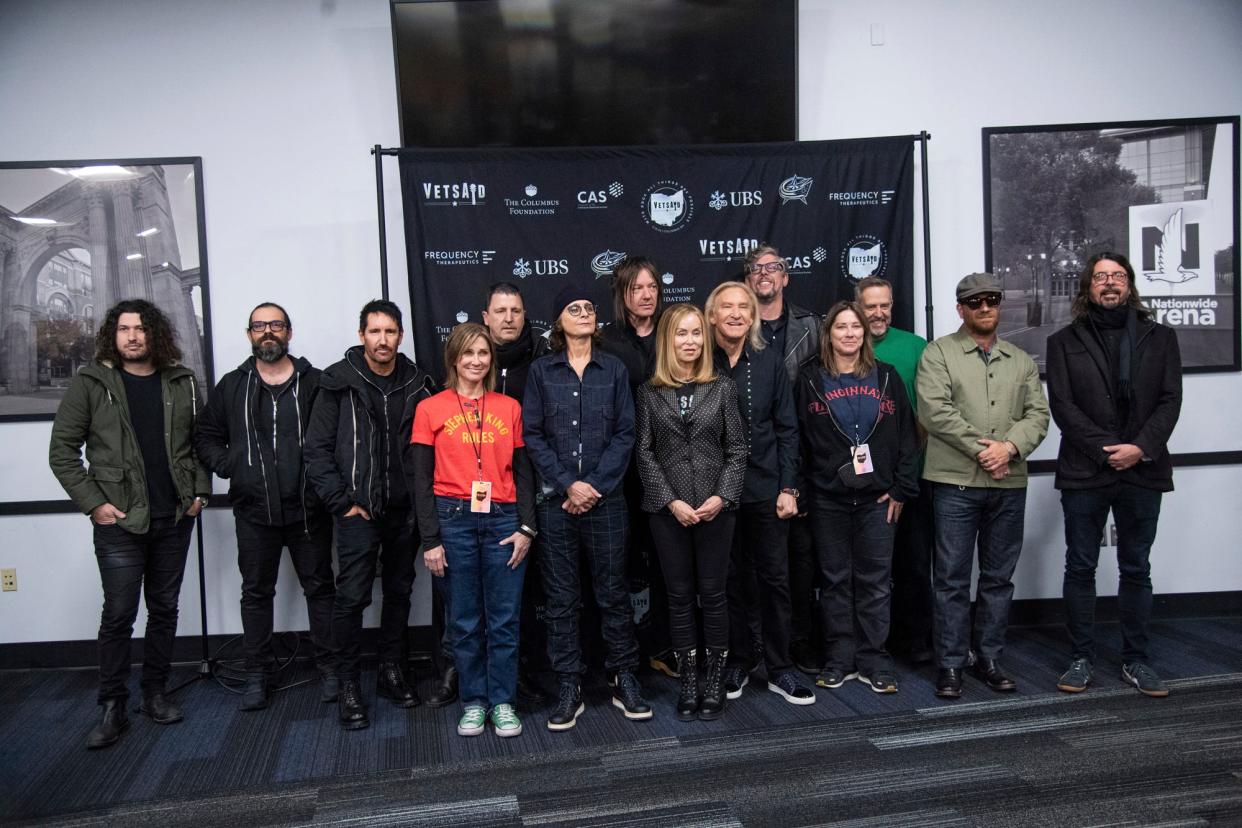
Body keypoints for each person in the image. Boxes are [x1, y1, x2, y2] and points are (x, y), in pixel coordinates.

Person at [49, 299, 211, 749]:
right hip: (119, 520)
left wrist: (200, 492)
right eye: (124, 329)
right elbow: (62, 450)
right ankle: (112, 706)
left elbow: (200, 442)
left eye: (140, 328)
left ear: (154, 333)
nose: (133, 336)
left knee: (164, 610)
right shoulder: (91, 383)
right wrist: (94, 504)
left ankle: (155, 694)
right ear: (113, 335)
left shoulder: (181, 381)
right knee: (119, 615)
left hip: (175, 516)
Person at [1046, 252, 1182, 697]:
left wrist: (1140, 447)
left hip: (1144, 468)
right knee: (1080, 566)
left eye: (1117, 276)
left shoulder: (1161, 338)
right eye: (1101, 276)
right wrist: (1107, 452)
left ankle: (1135, 660)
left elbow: (1170, 400)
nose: (1109, 283)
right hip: (1086, 469)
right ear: (1088, 286)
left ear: (1129, 285)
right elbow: (1063, 406)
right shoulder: (1064, 341)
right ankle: (1081, 658)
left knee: (1136, 567)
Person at [195, 302, 337, 711]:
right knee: (256, 593)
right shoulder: (232, 385)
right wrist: (234, 468)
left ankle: (329, 667)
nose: (268, 332)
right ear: (249, 335)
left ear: (289, 332)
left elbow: (336, 438)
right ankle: (257, 673)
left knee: (321, 590)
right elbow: (206, 436)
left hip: (309, 511)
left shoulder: (316, 383)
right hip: (254, 512)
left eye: (276, 325)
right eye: (260, 326)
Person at [304, 299, 435, 730]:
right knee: (352, 597)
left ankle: (390, 671)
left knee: (400, 592)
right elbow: (316, 450)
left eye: (391, 332)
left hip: (405, 510)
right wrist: (342, 502)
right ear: (362, 335)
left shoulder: (419, 383)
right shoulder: (338, 381)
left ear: (400, 336)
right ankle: (347, 682)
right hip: (358, 510)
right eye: (375, 331)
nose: (383, 340)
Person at [917, 273, 1049, 699]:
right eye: (975, 302)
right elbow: (935, 412)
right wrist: (985, 451)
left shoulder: (1021, 360)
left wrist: (1009, 447)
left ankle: (989, 657)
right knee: (952, 578)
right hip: (955, 483)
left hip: (1008, 483)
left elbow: (1038, 416)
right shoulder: (938, 354)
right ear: (960, 309)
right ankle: (952, 663)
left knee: (997, 577)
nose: (985, 307)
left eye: (992, 300)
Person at [524, 286, 649, 730]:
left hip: (607, 501)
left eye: (589, 309)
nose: (582, 314)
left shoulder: (613, 369)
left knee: (614, 595)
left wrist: (592, 486)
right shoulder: (541, 372)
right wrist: (568, 485)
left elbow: (625, 434)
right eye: (573, 308)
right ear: (559, 321)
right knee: (560, 600)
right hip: (557, 504)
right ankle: (569, 684)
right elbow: (532, 435)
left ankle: (624, 677)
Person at [411, 323, 535, 737]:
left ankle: (502, 702)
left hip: (502, 517)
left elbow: (523, 472)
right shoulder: (431, 409)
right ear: (454, 359)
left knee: (503, 618)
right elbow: (421, 480)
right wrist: (431, 540)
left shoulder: (509, 407)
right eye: (467, 354)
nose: (476, 361)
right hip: (453, 519)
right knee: (464, 620)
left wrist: (526, 527)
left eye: (483, 353)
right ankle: (474, 701)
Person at [796, 301, 920, 693]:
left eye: (856, 328)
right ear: (827, 334)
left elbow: (907, 437)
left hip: (877, 500)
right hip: (827, 499)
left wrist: (902, 487)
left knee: (876, 582)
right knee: (834, 581)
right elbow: (796, 439)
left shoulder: (887, 377)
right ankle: (840, 658)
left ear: (865, 335)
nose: (849, 334)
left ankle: (874, 658)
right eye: (841, 327)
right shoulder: (809, 378)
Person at [635, 303, 747, 721]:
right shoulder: (648, 392)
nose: (690, 341)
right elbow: (643, 453)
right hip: (668, 513)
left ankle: (714, 682)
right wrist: (670, 501)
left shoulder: (722, 388)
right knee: (679, 598)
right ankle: (688, 681)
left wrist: (722, 497)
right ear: (668, 339)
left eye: (696, 333)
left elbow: (737, 451)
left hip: (717, 510)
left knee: (714, 596)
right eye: (681, 334)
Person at [705, 281, 814, 706]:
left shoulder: (769, 361)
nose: (735, 314)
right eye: (726, 306)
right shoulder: (697, 360)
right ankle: (738, 660)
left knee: (775, 580)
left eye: (743, 307)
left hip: (768, 489)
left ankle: (780, 667)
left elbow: (788, 428)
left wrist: (789, 487)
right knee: (729, 581)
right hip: (715, 493)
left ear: (752, 316)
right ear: (712, 314)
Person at [744, 244, 822, 675]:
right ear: (748, 280)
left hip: (805, 457)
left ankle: (801, 641)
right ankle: (756, 646)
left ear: (785, 277)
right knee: (758, 566)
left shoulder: (813, 327)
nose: (765, 274)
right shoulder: (735, 329)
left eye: (773, 267)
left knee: (801, 559)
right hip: (756, 464)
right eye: (756, 269)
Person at [599, 255, 677, 679]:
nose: (646, 295)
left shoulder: (677, 331)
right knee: (618, 568)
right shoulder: (606, 342)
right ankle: (620, 658)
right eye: (636, 288)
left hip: (674, 472)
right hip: (623, 474)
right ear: (622, 294)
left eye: (651, 287)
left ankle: (665, 647)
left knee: (669, 568)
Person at [856, 276, 933, 663]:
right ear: (857, 307)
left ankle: (914, 642)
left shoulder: (916, 347)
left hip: (909, 476)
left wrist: (904, 479)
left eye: (884, 305)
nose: (878, 313)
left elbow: (930, 413)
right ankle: (868, 645)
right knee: (864, 569)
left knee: (913, 563)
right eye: (870, 306)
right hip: (861, 482)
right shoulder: (844, 344)